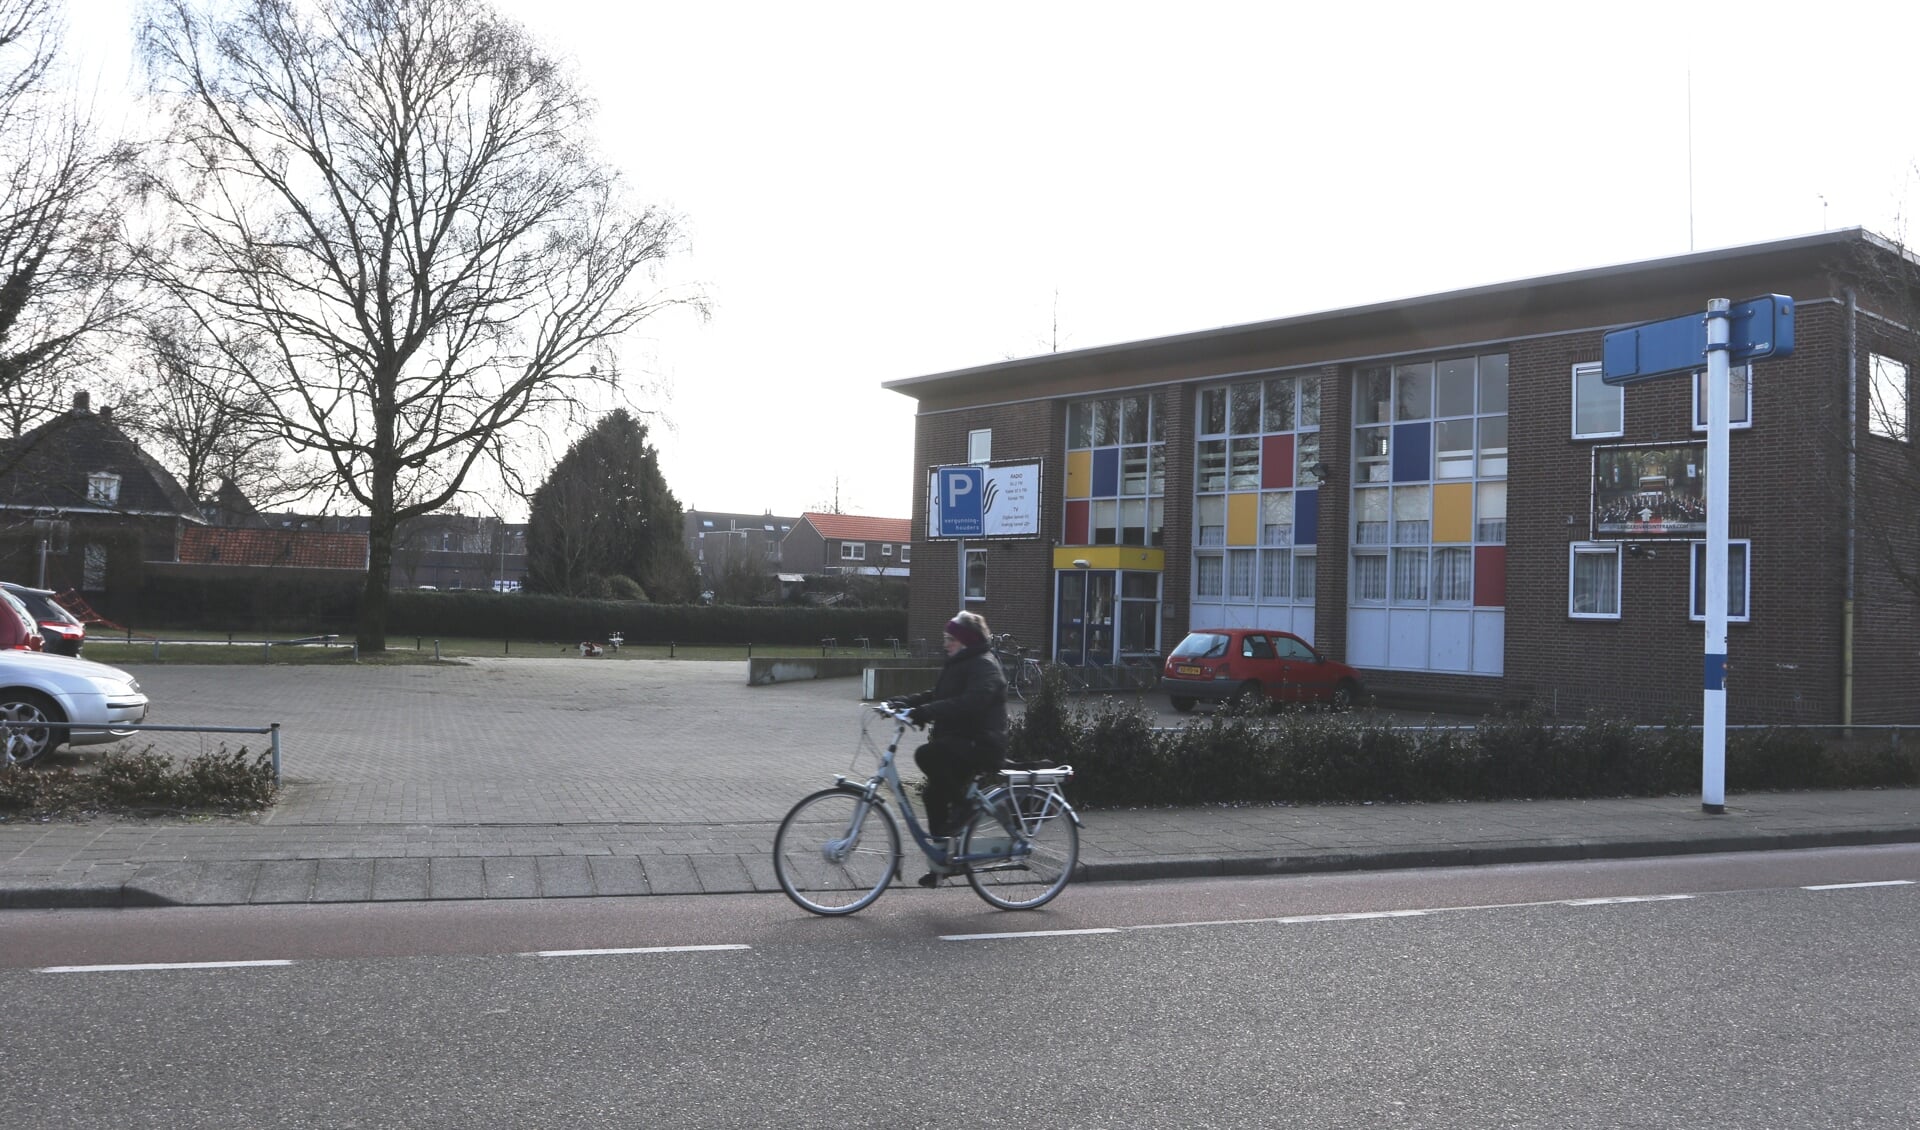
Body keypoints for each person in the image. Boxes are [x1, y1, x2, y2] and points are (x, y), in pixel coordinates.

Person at [890, 609, 1008, 887]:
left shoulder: (984, 665)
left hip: (982, 743)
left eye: (950, 639)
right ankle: (942, 862)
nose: (946, 644)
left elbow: (970, 703)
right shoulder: (962, 662)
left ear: (966, 640)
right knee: (932, 796)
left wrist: (927, 711)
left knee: (926, 755)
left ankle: (965, 806)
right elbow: (939, 696)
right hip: (962, 741)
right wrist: (907, 702)